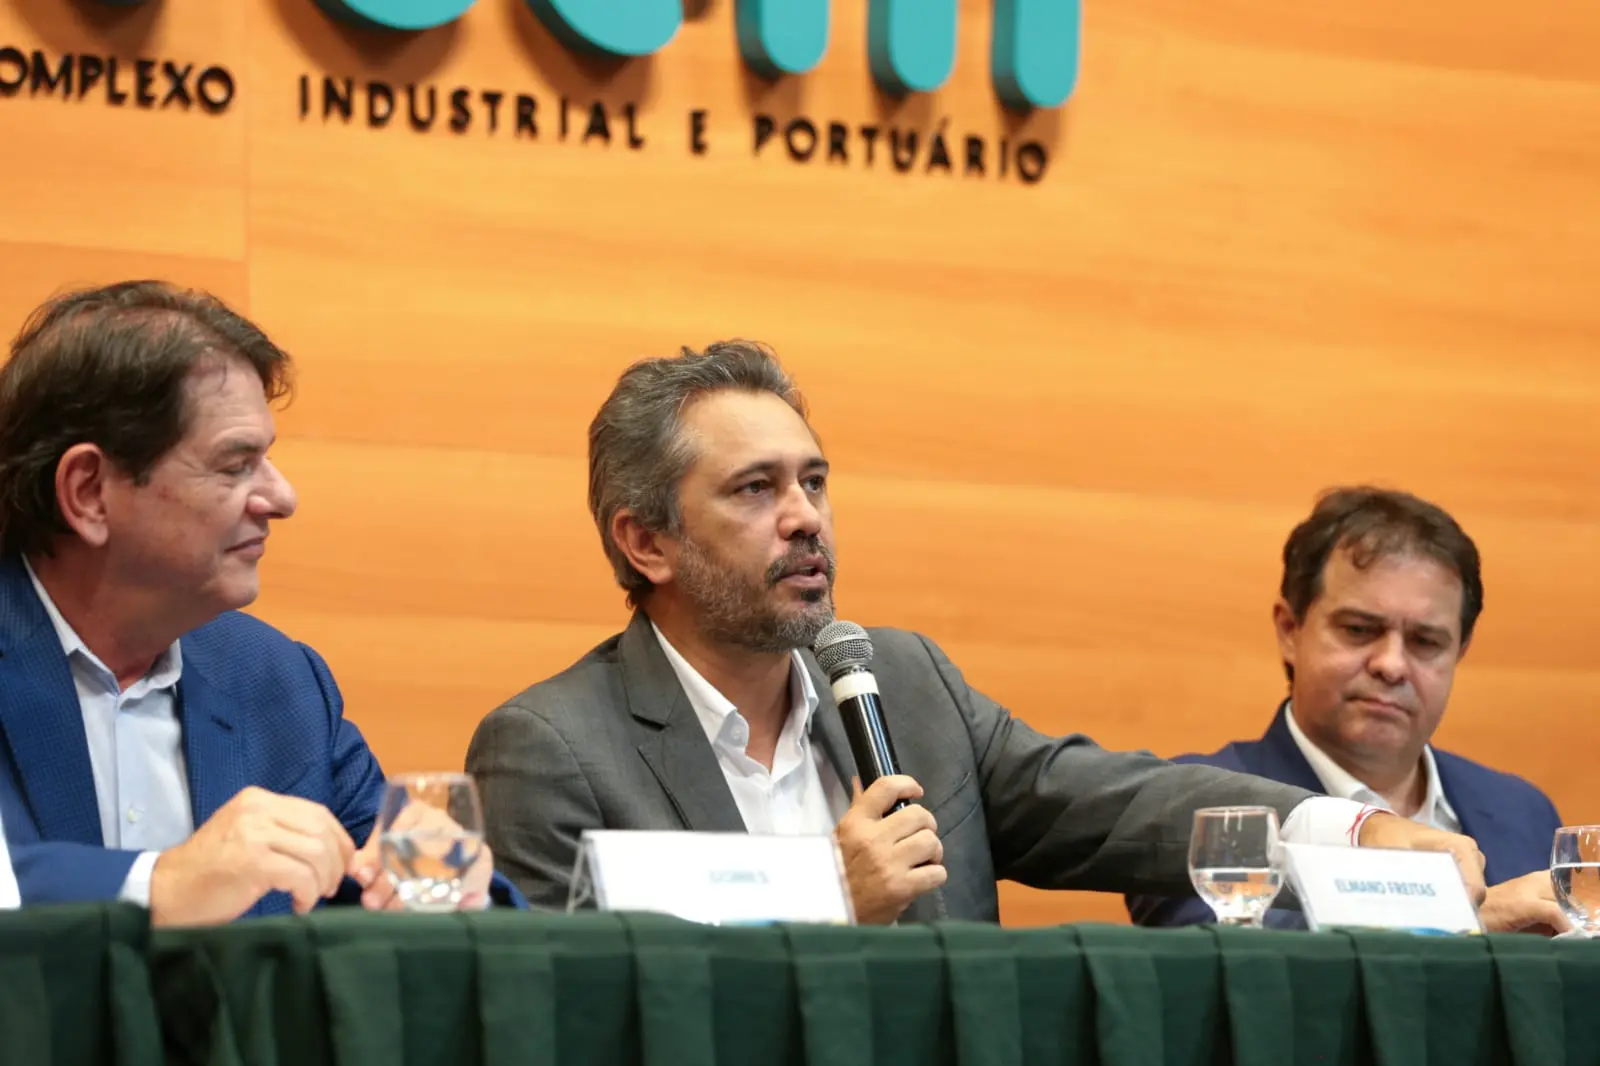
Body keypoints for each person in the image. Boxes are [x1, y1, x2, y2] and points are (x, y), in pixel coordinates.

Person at [467, 342, 1488, 924]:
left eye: (814, 481)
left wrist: (1357, 831)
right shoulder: (552, 750)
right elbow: (580, 1020)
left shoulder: (903, 683)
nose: (806, 517)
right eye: (755, 489)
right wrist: (828, 902)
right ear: (645, 540)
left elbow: (1120, 803)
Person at [0, 281, 509, 924]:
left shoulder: (280, 683)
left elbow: (392, 889)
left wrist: (441, 879)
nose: (282, 497)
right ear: (89, 492)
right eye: (235, 465)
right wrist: (157, 883)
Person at [1125, 487, 1566, 934]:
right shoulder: (1201, 808)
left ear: (1459, 652)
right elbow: (1229, 958)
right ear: (1290, 630)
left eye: (1425, 642)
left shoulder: (1521, 811)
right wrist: (1462, 925)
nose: (1391, 665)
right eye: (1358, 629)